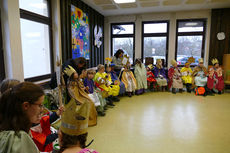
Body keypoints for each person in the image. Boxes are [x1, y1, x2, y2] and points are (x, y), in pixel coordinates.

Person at [0, 82, 44, 153]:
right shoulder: (18, 139)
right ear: (26, 106)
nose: (42, 109)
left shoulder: (7, 127)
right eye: (40, 105)